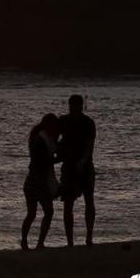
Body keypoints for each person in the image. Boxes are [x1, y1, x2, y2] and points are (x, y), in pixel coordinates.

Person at [57, 94, 97, 246]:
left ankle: (89, 237)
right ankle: (70, 241)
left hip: (85, 166)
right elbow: (56, 139)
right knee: (68, 203)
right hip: (68, 165)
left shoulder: (88, 123)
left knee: (89, 200)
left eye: (76, 106)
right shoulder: (63, 121)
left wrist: (82, 161)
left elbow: (89, 146)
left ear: (81, 106)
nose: (73, 109)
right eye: (71, 106)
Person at [21, 113, 60, 250]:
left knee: (33, 213)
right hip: (38, 180)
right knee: (46, 212)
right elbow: (42, 162)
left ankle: (29, 242)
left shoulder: (41, 138)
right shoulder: (40, 140)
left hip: (34, 180)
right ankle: (36, 242)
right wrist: (59, 159)